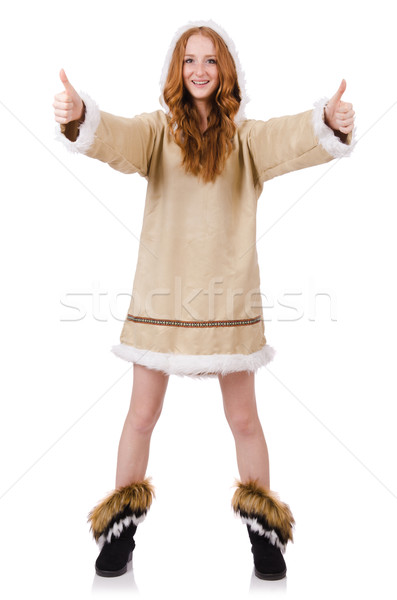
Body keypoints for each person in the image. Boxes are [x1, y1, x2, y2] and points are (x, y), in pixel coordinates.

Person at [53, 19, 355, 580]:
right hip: (161, 301)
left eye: (210, 60)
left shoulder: (245, 138)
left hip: (227, 303)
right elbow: (113, 137)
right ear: (177, 69)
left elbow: (293, 137)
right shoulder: (155, 132)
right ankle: (119, 536)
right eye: (189, 59)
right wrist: (79, 118)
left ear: (225, 70)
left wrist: (327, 124)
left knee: (243, 419)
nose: (199, 69)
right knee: (141, 415)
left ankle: (265, 539)